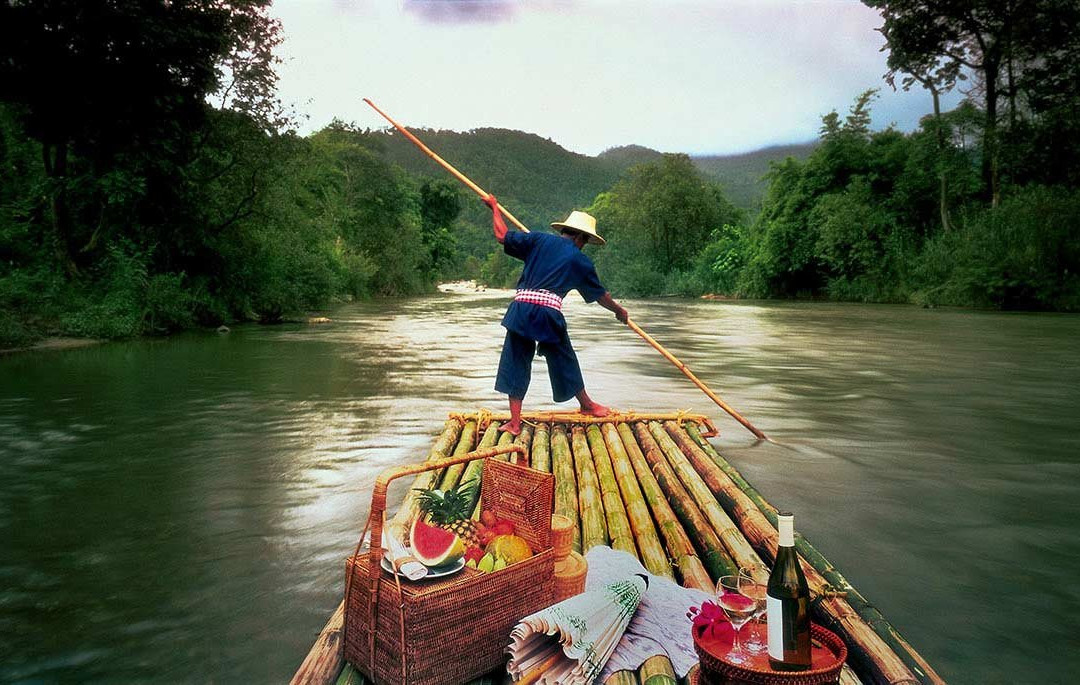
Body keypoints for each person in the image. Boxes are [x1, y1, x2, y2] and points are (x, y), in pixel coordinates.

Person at [483, 194, 628, 435]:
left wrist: (495, 207)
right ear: (580, 237)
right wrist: (619, 311)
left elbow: (501, 235)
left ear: (565, 231)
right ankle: (587, 405)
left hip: (521, 310)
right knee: (564, 358)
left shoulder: (538, 240)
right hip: (548, 315)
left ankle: (515, 423)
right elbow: (601, 296)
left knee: (516, 361)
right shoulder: (580, 261)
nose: (584, 245)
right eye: (585, 241)